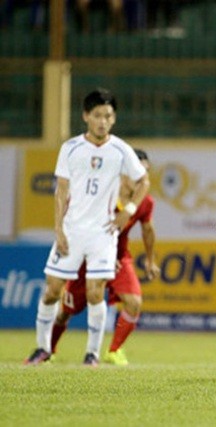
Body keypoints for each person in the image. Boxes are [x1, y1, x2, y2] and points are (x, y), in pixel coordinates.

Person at [24, 88, 150, 367]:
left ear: (113, 119)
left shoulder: (120, 149)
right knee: (53, 290)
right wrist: (58, 229)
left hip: (103, 234)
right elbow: (61, 191)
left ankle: (92, 354)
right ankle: (42, 348)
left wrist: (127, 211)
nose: (103, 121)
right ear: (85, 116)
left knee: (96, 292)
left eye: (108, 116)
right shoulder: (70, 148)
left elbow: (144, 182)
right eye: (97, 115)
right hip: (72, 230)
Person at [50, 148, 160, 366]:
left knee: (134, 302)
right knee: (65, 312)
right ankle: (48, 349)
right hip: (88, 259)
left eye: (145, 175)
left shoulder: (144, 202)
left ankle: (114, 350)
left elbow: (148, 230)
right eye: (137, 174)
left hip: (120, 259)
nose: (141, 180)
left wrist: (150, 260)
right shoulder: (102, 194)